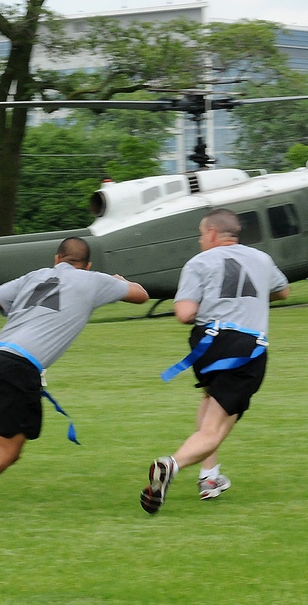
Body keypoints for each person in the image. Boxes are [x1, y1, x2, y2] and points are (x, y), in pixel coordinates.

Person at [0, 237, 149, 516]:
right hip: (20, 367)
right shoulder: (94, 280)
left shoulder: (34, 277)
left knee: (8, 437)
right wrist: (118, 280)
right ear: (87, 265)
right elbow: (141, 294)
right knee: (8, 452)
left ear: (56, 259)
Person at [140, 208, 289, 514]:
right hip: (246, 348)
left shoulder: (199, 262)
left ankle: (209, 476)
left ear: (211, 234)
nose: (199, 241)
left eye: (199, 235)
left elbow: (184, 314)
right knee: (216, 425)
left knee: (211, 400)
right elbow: (283, 291)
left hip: (206, 345)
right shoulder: (261, 259)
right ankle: (172, 464)